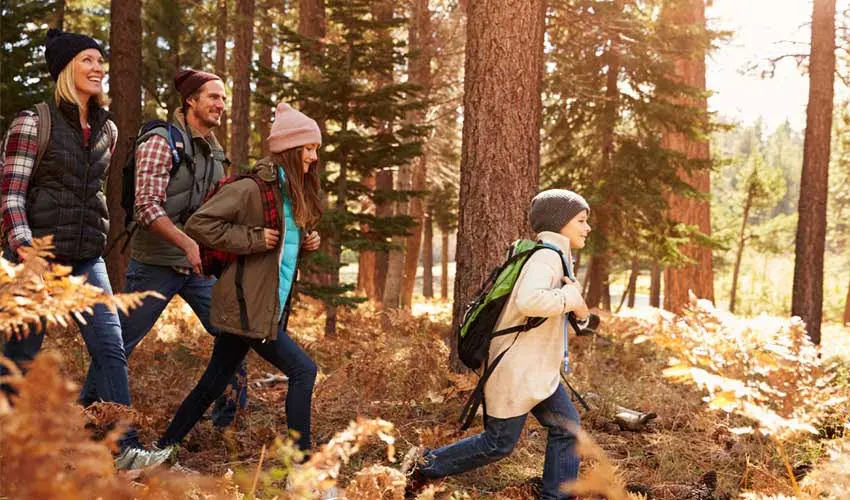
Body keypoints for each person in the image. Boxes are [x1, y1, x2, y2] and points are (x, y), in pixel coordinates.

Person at [0, 29, 171, 469]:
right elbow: (11, 195)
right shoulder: (32, 122)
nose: (98, 68)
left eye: (100, 61)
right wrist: (27, 252)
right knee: (19, 359)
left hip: (87, 259)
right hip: (35, 259)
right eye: (87, 60)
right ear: (65, 69)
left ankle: (124, 448)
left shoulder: (107, 130)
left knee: (111, 346)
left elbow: (89, 194)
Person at [78, 69, 248, 427]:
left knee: (234, 333)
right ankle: (89, 415)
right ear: (191, 100)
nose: (221, 104)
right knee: (119, 345)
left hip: (200, 267)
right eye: (213, 96)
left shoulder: (216, 152)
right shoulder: (160, 141)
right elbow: (146, 207)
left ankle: (229, 426)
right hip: (155, 264)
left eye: (223, 97)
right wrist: (187, 242)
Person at [402, 189, 593, 500]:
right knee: (498, 443)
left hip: (537, 371)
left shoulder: (556, 256)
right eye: (581, 220)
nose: (587, 228)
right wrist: (569, 297)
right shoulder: (546, 257)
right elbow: (529, 301)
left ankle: (556, 496)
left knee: (567, 427)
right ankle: (424, 465)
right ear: (559, 221)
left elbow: (564, 310)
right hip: (516, 369)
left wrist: (579, 309)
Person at [157, 102, 322, 452]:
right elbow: (199, 223)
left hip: (262, 304)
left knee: (213, 383)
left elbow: (281, 250)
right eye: (308, 148)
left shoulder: (291, 192)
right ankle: (304, 466)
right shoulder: (252, 189)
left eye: (315, 149)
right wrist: (252, 239)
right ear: (290, 149)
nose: (314, 157)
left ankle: (162, 448)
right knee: (303, 371)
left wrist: (307, 243)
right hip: (249, 307)